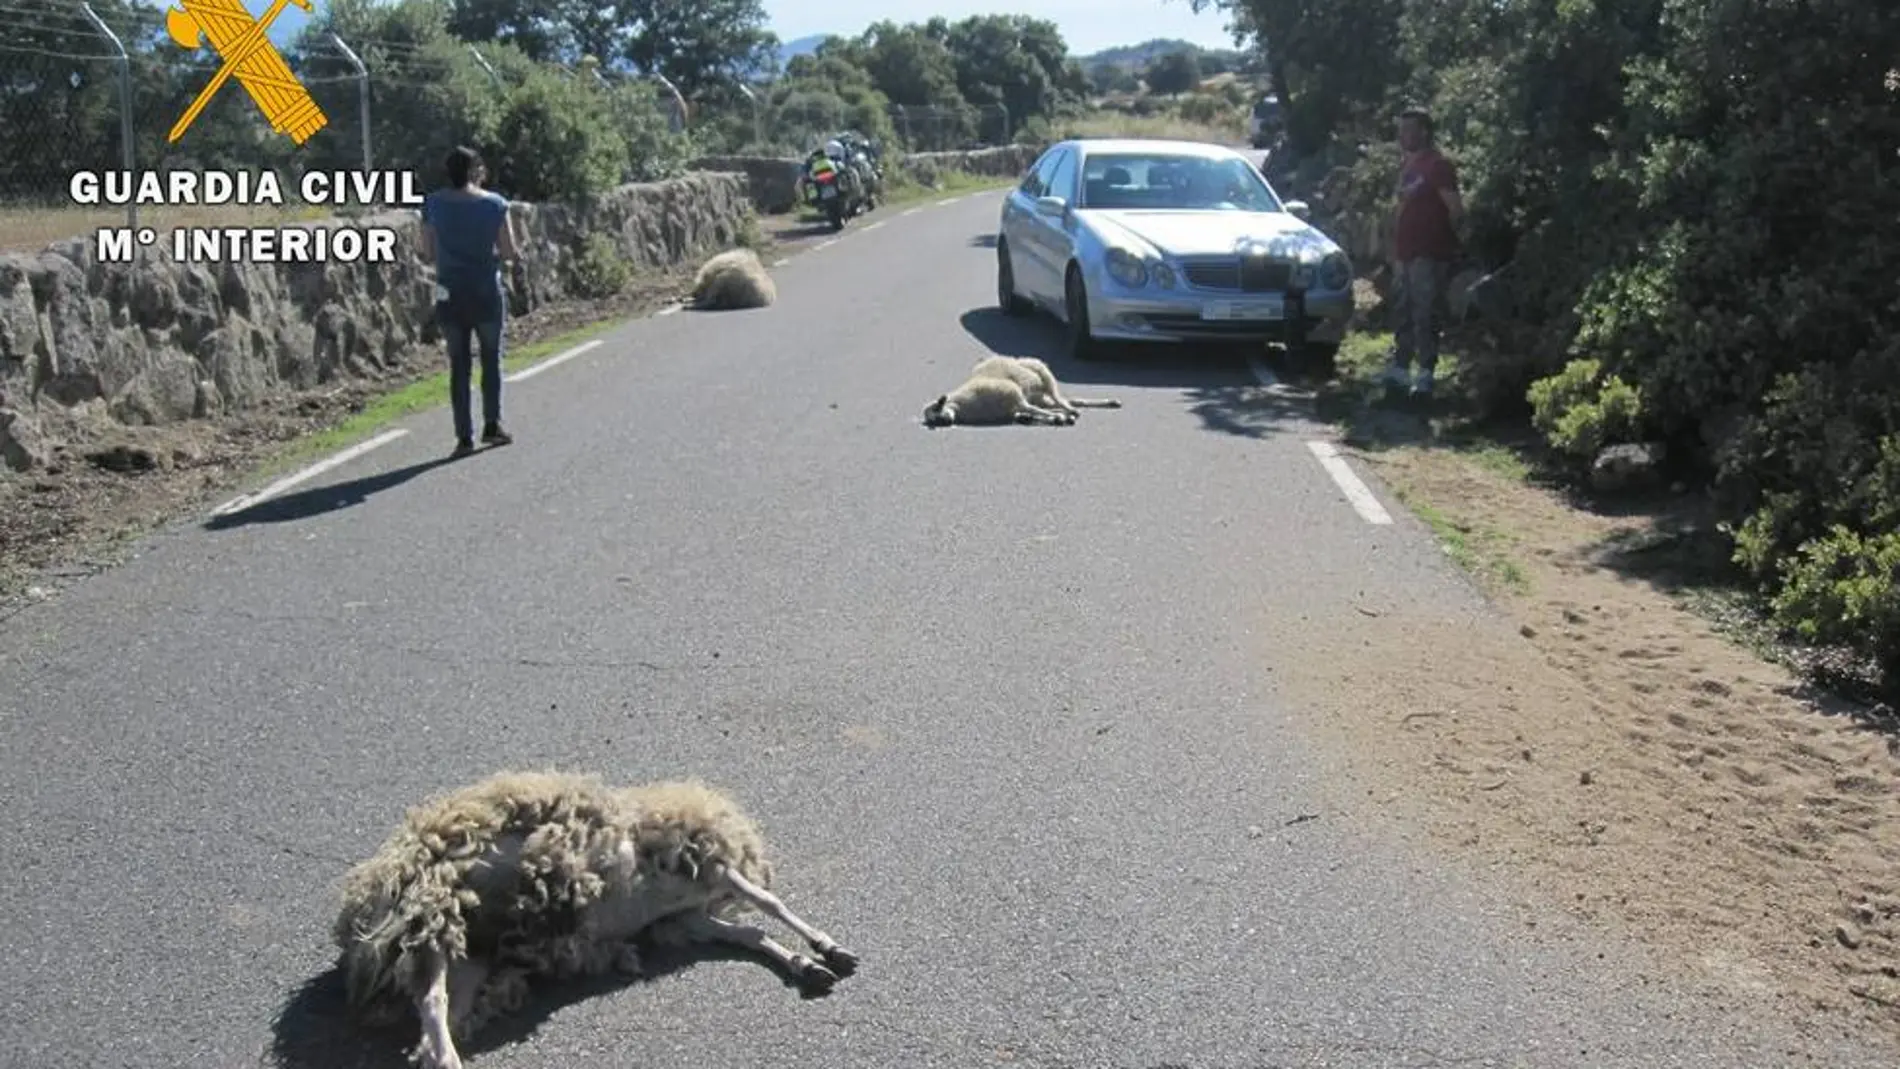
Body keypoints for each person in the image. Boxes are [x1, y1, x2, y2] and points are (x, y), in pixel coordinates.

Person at [419, 146, 520, 457]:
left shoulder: (433, 205)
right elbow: (508, 250)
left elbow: (427, 252)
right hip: (486, 290)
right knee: (491, 357)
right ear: (476, 170)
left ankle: (464, 436)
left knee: (458, 364)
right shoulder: (496, 205)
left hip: (450, 291)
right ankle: (493, 424)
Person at [1386, 105, 1464, 399]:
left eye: (1409, 129)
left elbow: (1455, 209)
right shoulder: (1408, 166)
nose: (1403, 135)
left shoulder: (1438, 166)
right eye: (1401, 129)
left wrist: (1449, 242)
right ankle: (1400, 369)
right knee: (1403, 311)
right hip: (1405, 252)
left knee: (1425, 313)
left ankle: (1426, 374)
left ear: (1424, 132)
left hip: (1429, 253)